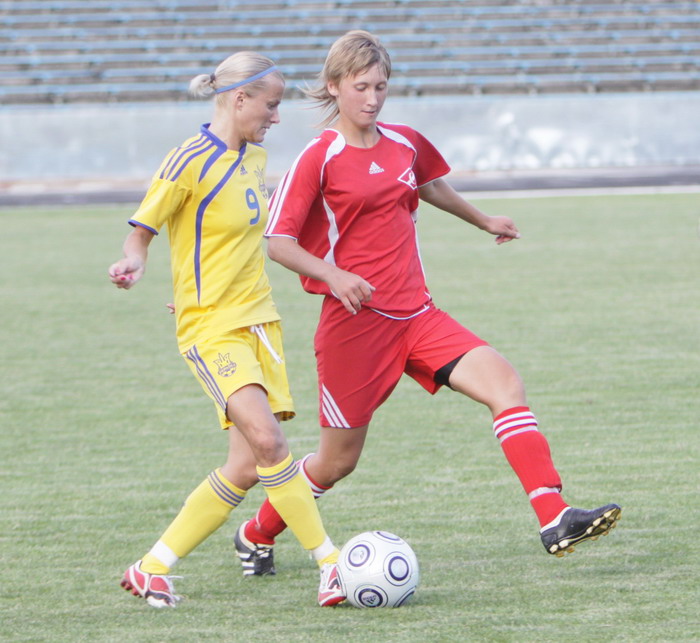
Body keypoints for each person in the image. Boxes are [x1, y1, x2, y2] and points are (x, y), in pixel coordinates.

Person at [232, 31, 621, 577]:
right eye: (361, 87)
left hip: (418, 316)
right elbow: (279, 242)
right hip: (354, 330)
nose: (373, 98)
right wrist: (334, 275)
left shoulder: (405, 142)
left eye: (381, 86)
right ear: (334, 86)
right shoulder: (318, 157)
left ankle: (552, 514)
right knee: (336, 462)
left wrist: (483, 219)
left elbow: (429, 186)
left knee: (505, 384)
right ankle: (256, 532)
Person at [108, 51, 345, 608]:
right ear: (239, 99)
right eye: (271, 105)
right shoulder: (187, 160)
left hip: (260, 323)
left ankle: (151, 568)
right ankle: (331, 564)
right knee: (270, 442)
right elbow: (143, 230)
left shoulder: (255, 159)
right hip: (212, 327)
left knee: (244, 466)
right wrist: (134, 262)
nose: (276, 117)